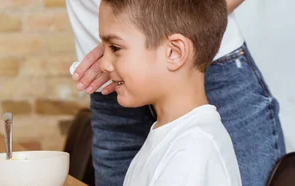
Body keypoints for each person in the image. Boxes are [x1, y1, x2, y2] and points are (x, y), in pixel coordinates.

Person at [0, 0, 285, 185]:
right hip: (121, 81)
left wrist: (143, 35)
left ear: (175, 49)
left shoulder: (193, 150)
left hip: (192, 64)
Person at [95, 0, 241, 185]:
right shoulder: (170, 136)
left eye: (115, 48)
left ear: (174, 52)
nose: (103, 64)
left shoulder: (191, 154)